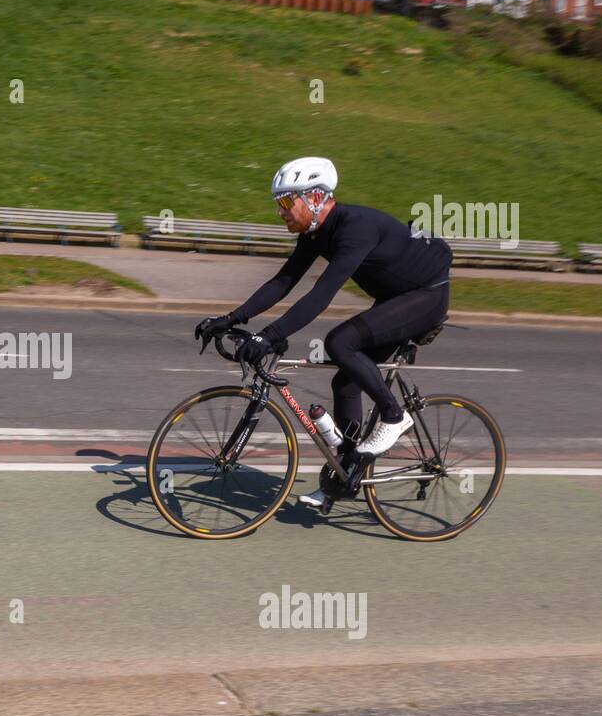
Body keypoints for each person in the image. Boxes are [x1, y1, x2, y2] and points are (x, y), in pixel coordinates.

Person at [194, 157, 452, 507]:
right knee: (345, 381)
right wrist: (231, 318)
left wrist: (268, 336)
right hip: (396, 297)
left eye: (286, 202)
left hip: (427, 295)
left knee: (341, 341)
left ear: (314, 198)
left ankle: (394, 415)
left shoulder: (355, 228)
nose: (280, 211)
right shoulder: (315, 234)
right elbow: (283, 283)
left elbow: (320, 296)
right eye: (278, 204)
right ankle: (345, 476)